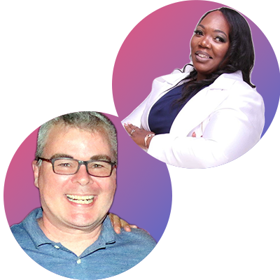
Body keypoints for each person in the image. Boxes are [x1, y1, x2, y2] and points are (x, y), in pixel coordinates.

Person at [11, 112, 156, 280]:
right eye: (65, 164)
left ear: (114, 176)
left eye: (97, 165)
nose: (83, 178)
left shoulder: (144, 252)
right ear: (37, 173)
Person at [122, 7, 265, 169]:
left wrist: (149, 141)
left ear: (235, 49)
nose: (203, 42)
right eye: (199, 33)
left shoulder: (243, 97)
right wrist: (187, 147)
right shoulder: (172, 82)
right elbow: (125, 132)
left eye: (218, 38)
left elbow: (216, 156)